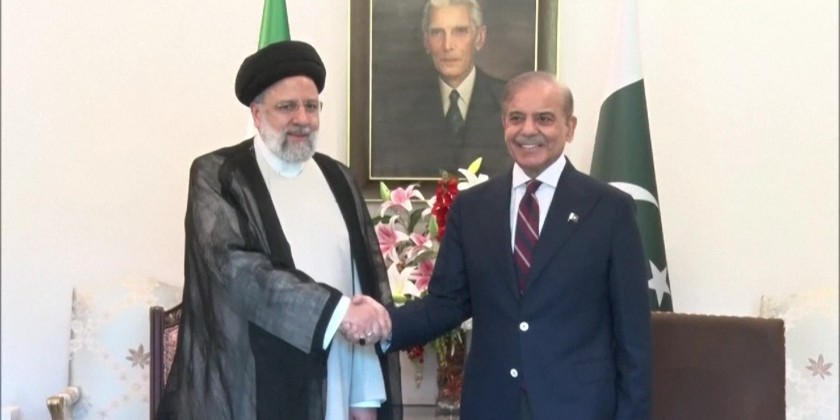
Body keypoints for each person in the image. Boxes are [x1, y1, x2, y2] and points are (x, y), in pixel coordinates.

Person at [382, 71, 652, 419]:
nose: (528, 130)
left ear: (570, 127)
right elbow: (446, 304)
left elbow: (634, 338)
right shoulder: (472, 207)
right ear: (503, 125)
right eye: (516, 118)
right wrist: (382, 325)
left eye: (544, 119)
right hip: (491, 406)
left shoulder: (610, 210)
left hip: (578, 408)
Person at [159, 40, 402, 420]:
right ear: (257, 114)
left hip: (335, 382)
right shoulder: (220, 175)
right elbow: (238, 272)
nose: (302, 118)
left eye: (311, 106)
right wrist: (336, 312)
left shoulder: (337, 177)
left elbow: (361, 285)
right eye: (287, 107)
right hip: (254, 390)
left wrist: (365, 397)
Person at [371, 0, 511, 179]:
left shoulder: (508, 101)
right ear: (426, 41)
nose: (447, 45)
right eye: (437, 32)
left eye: (460, 31)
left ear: (479, 37)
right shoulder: (397, 109)